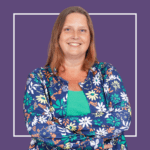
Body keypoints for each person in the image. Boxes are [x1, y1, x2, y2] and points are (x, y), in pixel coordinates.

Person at [23, 6, 132, 150]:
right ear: (58, 35)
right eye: (68, 29)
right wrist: (92, 144)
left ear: (90, 37)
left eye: (82, 30)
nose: (75, 35)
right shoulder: (38, 78)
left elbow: (122, 119)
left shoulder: (107, 72)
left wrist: (62, 122)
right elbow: (38, 127)